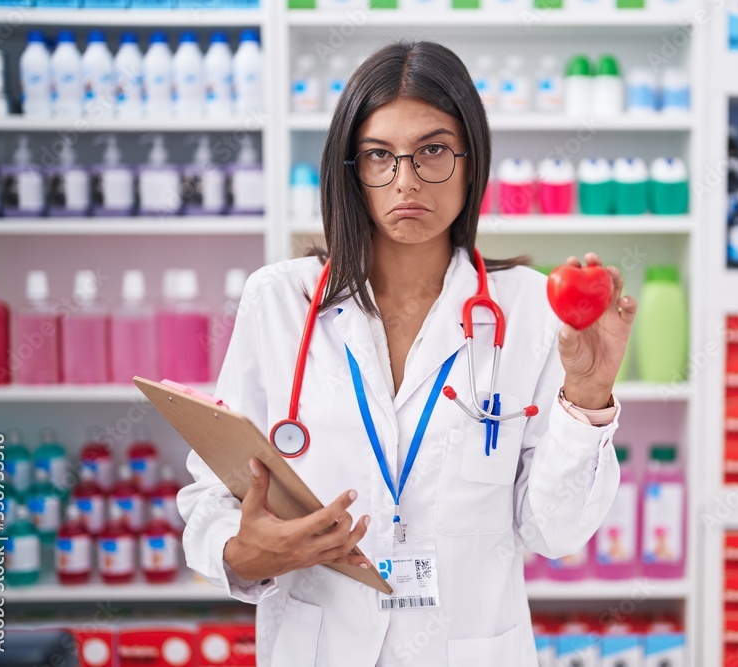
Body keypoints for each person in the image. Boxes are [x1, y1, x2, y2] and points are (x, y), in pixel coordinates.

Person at [177, 40, 637, 667]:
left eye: (433, 151)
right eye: (378, 156)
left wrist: (588, 394)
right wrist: (239, 553)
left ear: (472, 161)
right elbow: (212, 496)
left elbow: (553, 532)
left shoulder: (528, 308)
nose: (406, 180)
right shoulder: (280, 301)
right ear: (350, 169)